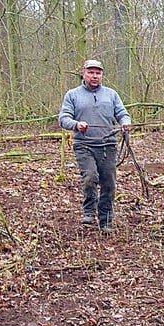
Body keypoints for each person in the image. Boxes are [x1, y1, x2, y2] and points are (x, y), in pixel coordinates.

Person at [59, 59, 132, 233]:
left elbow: (122, 113)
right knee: (90, 177)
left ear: (102, 75)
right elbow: (63, 118)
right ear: (84, 74)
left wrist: (125, 123)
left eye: (98, 73)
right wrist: (76, 124)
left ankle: (106, 220)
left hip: (108, 145)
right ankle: (89, 211)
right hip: (84, 145)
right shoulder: (72, 95)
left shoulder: (111, 94)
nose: (94, 76)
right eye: (91, 72)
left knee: (109, 184)